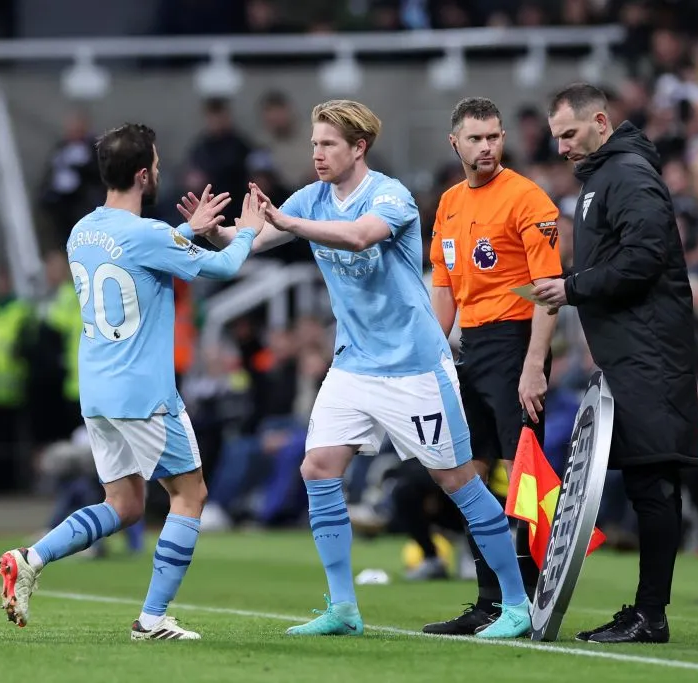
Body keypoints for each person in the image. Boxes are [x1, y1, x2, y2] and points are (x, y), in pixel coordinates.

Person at [189, 99, 532, 639]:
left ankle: (516, 603)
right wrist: (212, 232)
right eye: (314, 144)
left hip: (415, 366)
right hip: (354, 366)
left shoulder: (389, 196)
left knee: (458, 481)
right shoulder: (311, 199)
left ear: (358, 147)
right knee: (317, 468)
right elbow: (247, 242)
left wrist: (290, 222)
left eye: (328, 145)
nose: (317, 154)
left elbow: (358, 236)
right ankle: (344, 608)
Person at [0, 123, 267, 640]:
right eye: (158, 164)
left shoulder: (82, 231)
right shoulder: (147, 235)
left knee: (124, 504)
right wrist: (248, 228)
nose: (160, 170)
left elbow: (133, 258)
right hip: (144, 394)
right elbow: (224, 266)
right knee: (190, 493)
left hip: (97, 393)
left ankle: (30, 558)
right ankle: (152, 619)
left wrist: (184, 233)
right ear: (144, 174)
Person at [533, 83, 698, 644]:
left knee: (654, 479)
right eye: (556, 137)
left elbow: (645, 257)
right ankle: (645, 610)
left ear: (600, 122)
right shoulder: (604, 177)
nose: (561, 148)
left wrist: (571, 287)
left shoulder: (626, 174)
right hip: (631, 350)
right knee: (644, 480)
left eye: (570, 134)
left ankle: (651, 615)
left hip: (651, 352)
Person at [422, 96, 562, 635]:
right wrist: (432, 358)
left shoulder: (527, 199)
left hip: (515, 342)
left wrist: (534, 365)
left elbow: (549, 291)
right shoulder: (450, 203)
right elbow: (444, 285)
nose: (487, 147)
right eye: (476, 138)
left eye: (494, 137)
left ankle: (528, 603)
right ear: (454, 143)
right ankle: (489, 602)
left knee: (522, 473)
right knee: (471, 477)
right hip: (470, 349)